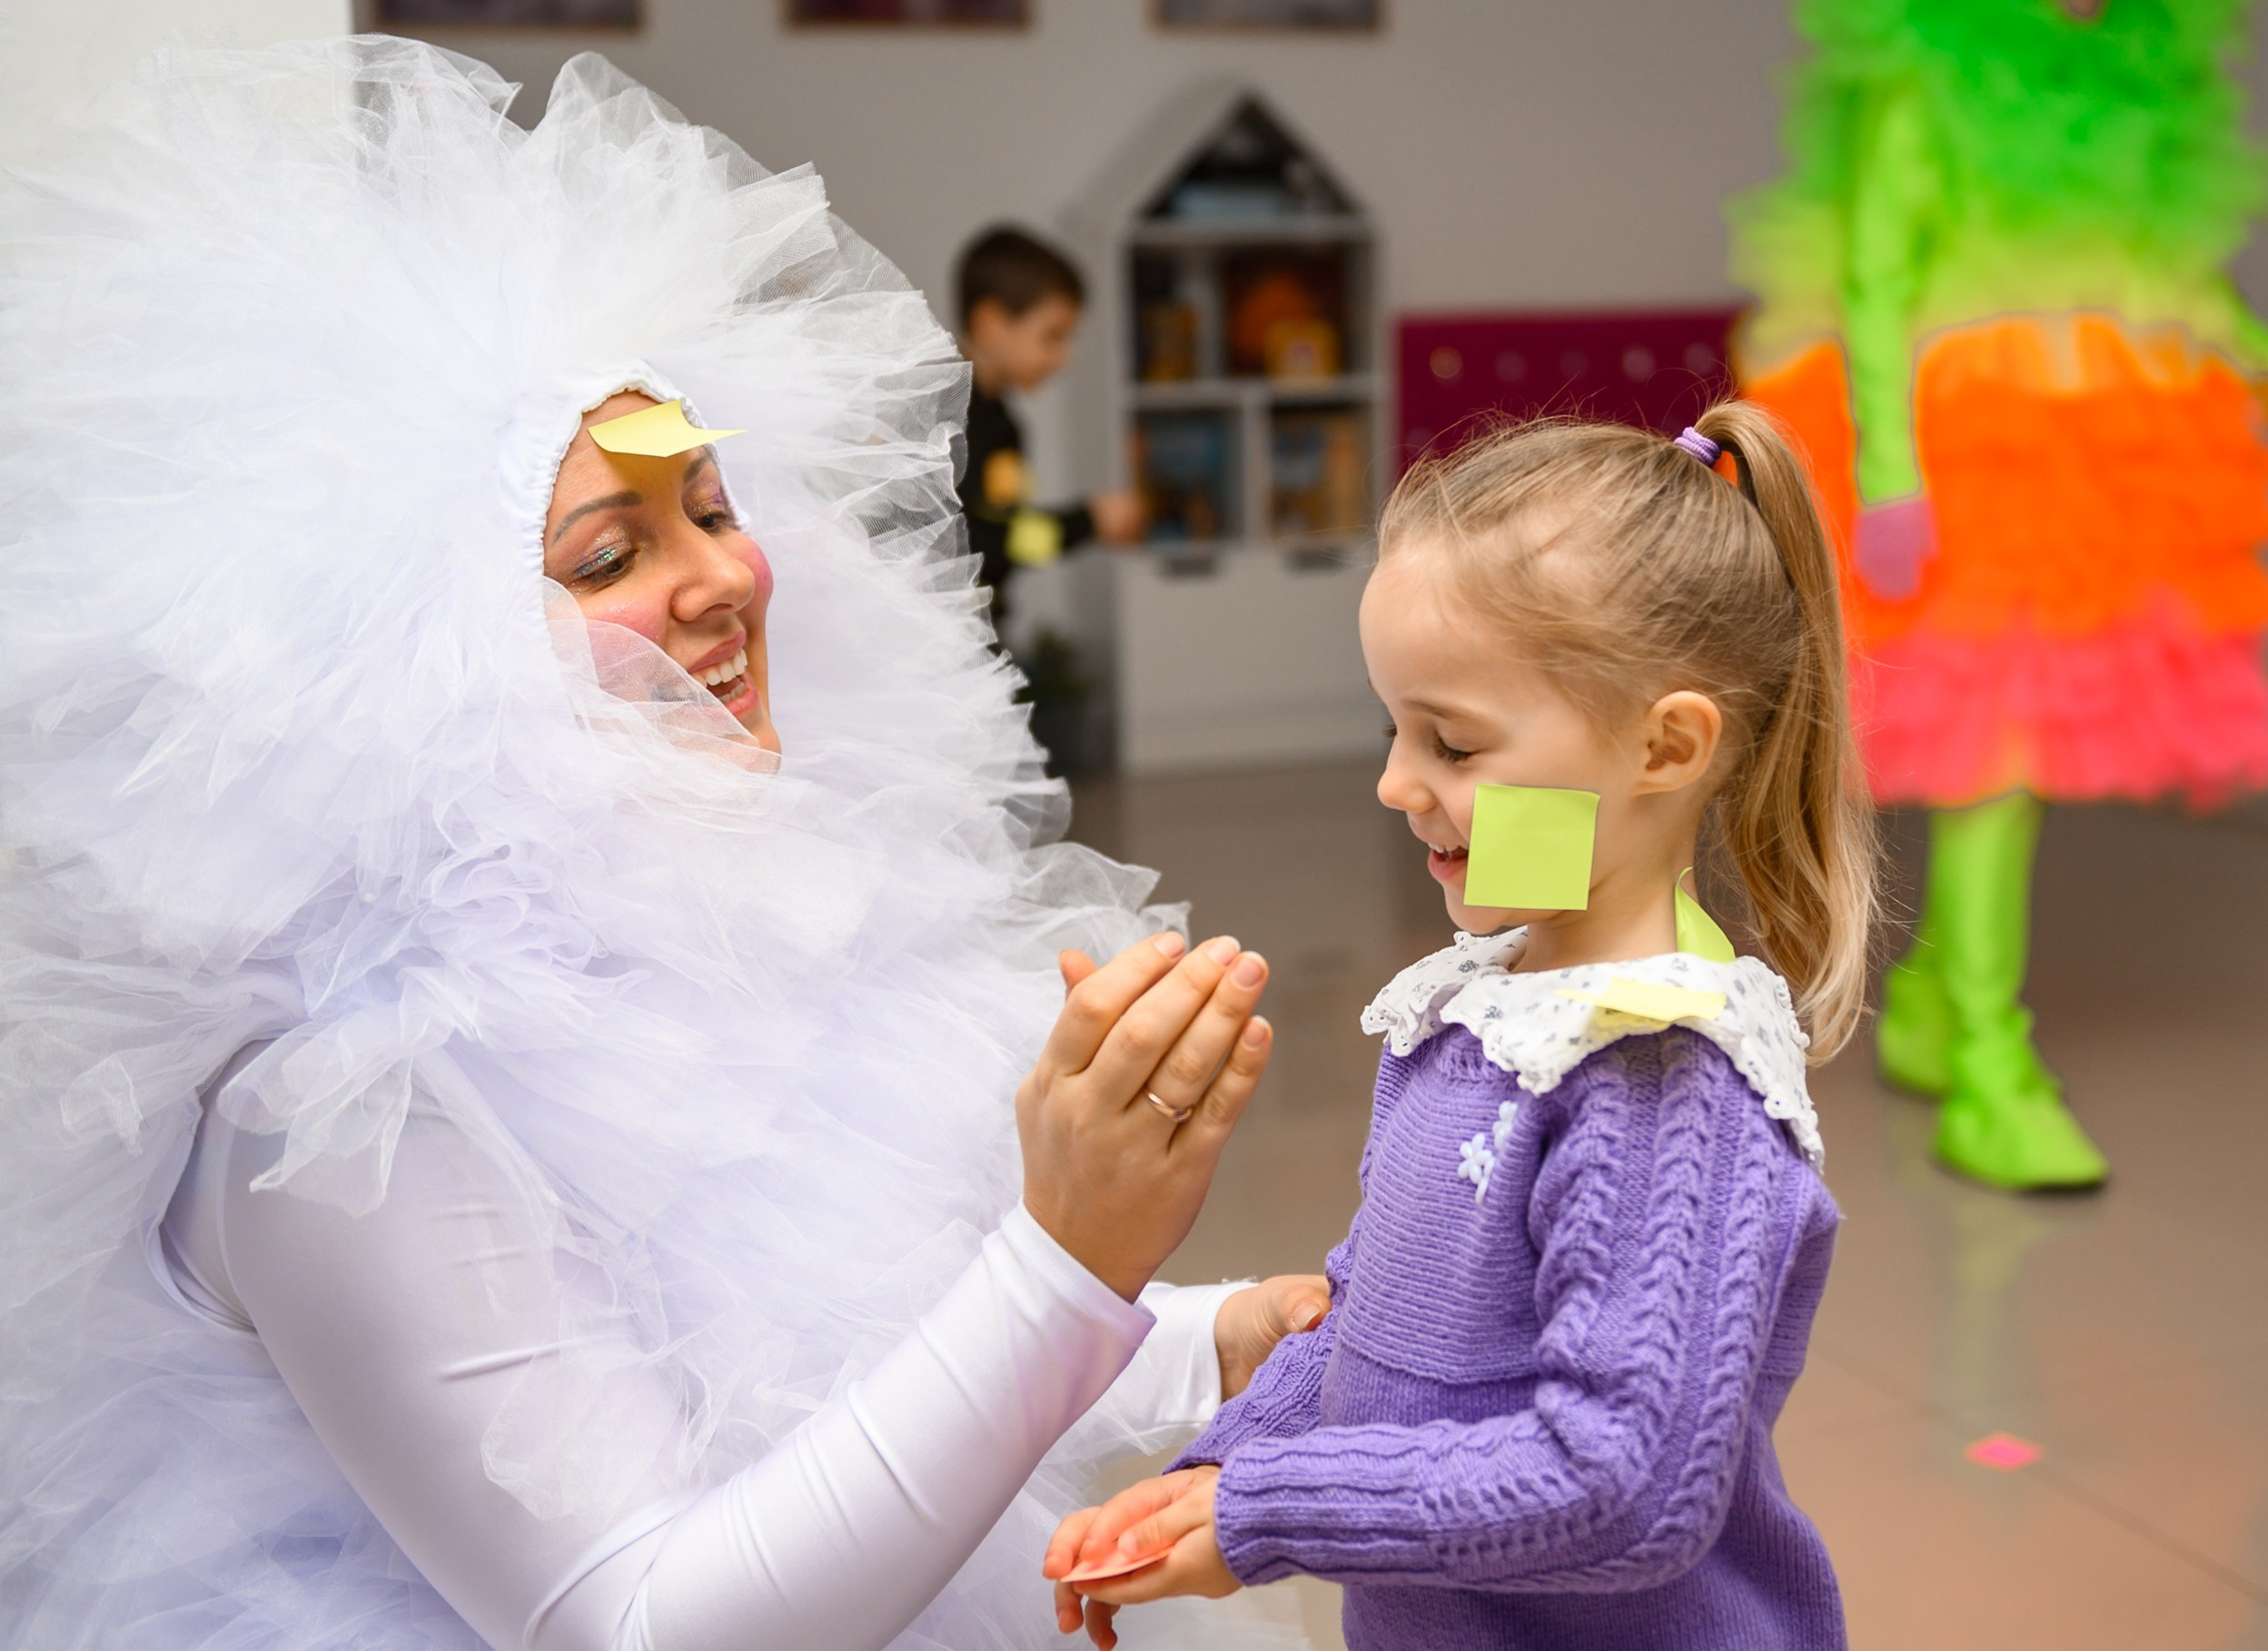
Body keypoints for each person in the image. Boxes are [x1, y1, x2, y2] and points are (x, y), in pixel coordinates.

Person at [0, 41, 1323, 1651]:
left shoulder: (726, 904)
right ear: (414, 661)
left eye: (709, 503)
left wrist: (1204, 1335)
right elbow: (639, 1619)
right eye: (609, 549)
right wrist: (1063, 1256)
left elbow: (839, 1356)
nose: (725, 577)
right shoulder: (349, 1101)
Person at [1044, 407, 1873, 1651]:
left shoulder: (1663, 1073)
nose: (1394, 779)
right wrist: (1226, 1468)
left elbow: (1619, 1483)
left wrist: (1275, 1512)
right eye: (1394, 726)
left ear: (1665, 746)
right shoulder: (1482, 1008)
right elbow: (1376, 1320)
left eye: (1454, 741)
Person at [1728, 0, 2268, 1190]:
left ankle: (1932, 1007)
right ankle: (1985, 1061)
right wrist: (1888, 478)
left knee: (2035, 737)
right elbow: (1873, 277)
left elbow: (2167, 271)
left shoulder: (2139, 75)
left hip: (2109, 447)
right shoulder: (1920, 70)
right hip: (1964, 452)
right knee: (2003, 752)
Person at [954, 225, 1146, 631]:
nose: (1064, 357)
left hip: (977, 627)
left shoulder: (1002, 421)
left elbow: (1010, 535)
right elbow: (987, 545)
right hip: (941, 643)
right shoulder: (950, 415)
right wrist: (1089, 521)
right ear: (990, 322)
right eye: (1052, 336)